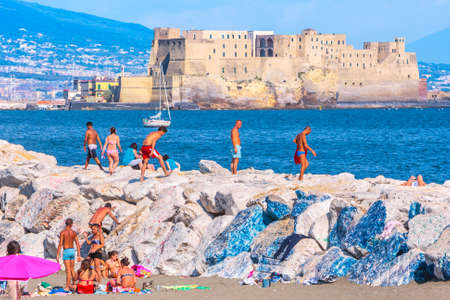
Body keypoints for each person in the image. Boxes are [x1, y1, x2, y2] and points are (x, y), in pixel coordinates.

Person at [56, 218, 81, 291]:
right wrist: (79, 254)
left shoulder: (63, 232)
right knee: (72, 269)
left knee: (68, 270)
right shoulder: (74, 232)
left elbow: (60, 244)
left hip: (66, 251)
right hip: (72, 251)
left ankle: (67, 286)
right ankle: (74, 284)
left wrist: (57, 255)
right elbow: (77, 244)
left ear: (65, 224)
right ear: (71, 224)